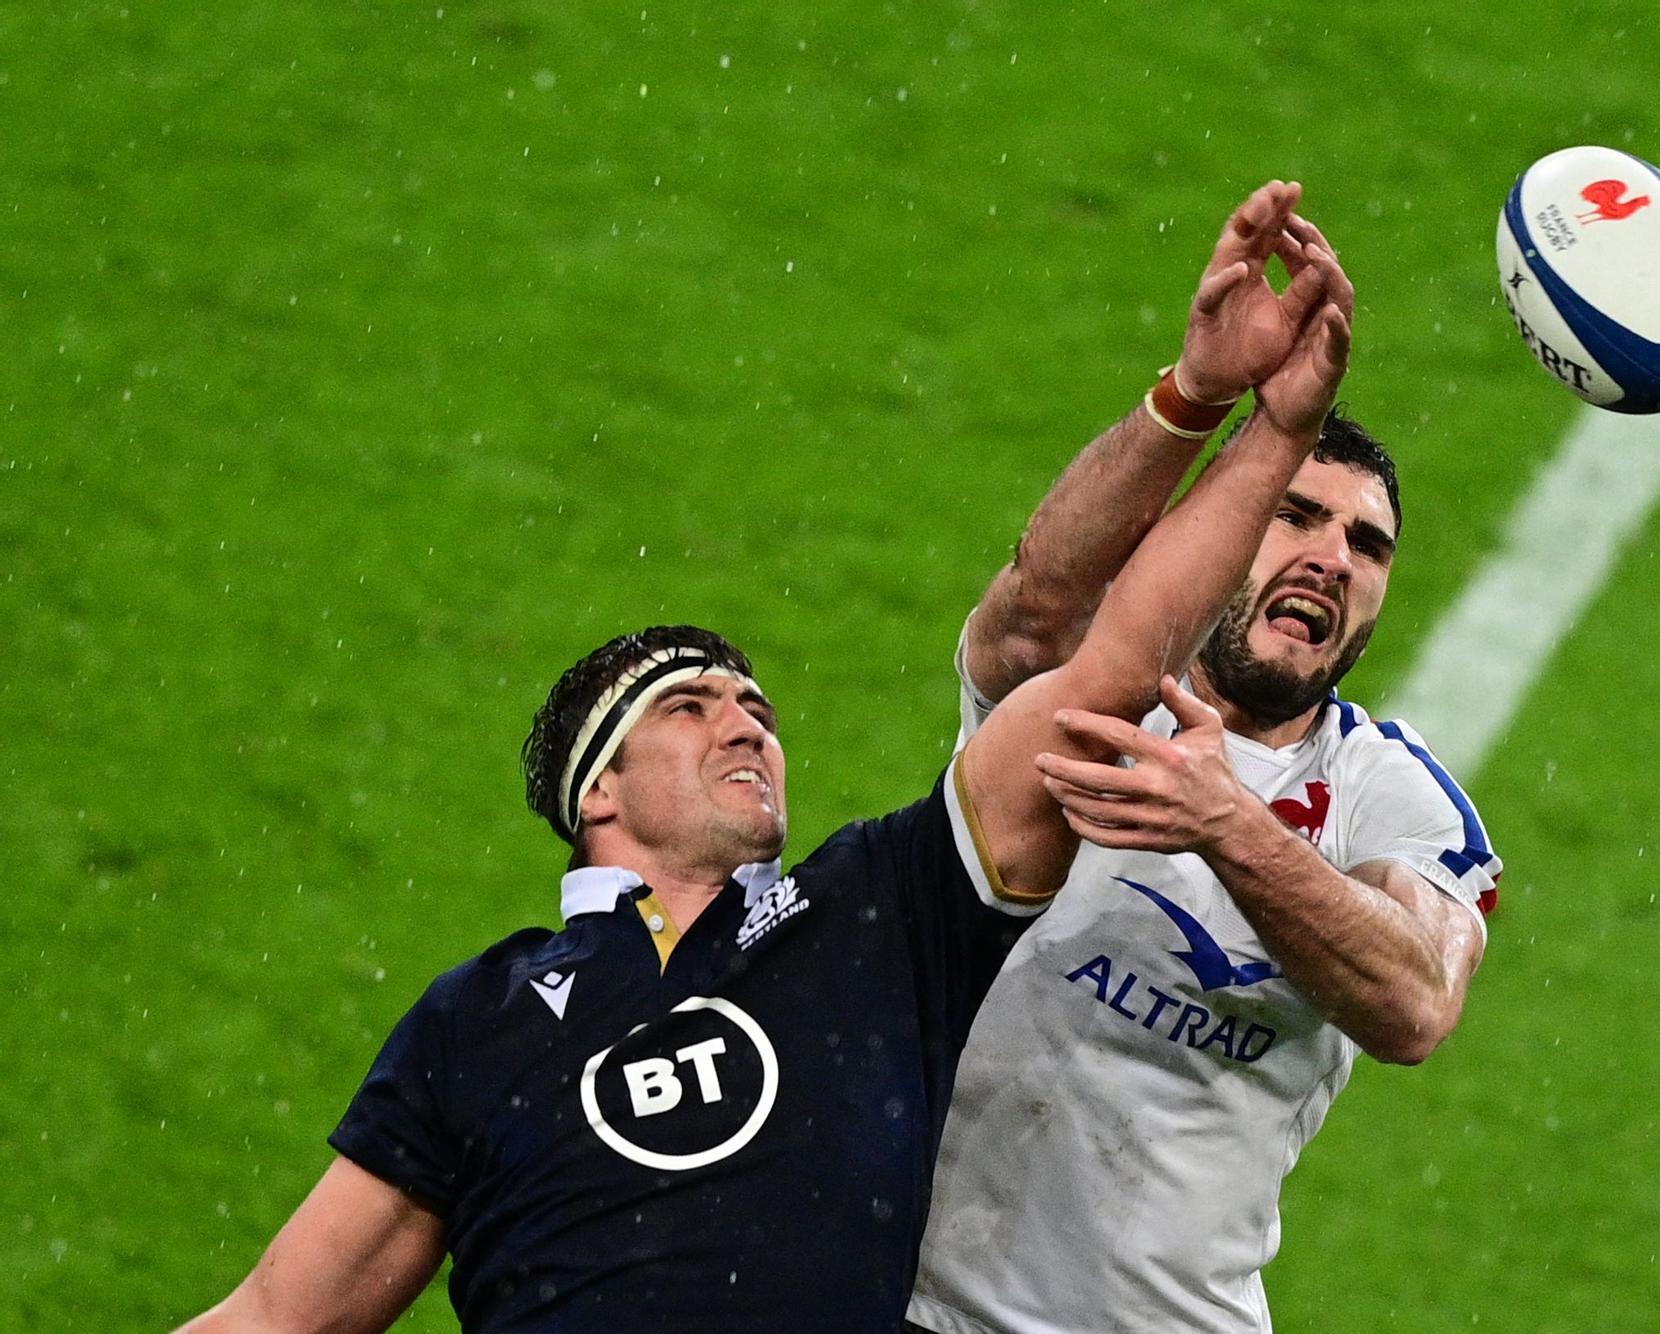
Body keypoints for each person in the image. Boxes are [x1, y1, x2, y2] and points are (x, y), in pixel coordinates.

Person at [178, 180, 1357, 1333]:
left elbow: (1103, 674)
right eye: (688, 704)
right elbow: (284, 1309)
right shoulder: (479, 1020)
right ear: (599, 787)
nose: (747, 721)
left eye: (758, 704)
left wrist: (1256, 422)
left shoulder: (878, 916)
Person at [907, 245, 1501, 1333]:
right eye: (1296, 513)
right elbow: (1031, 610)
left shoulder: (1386, 791)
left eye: (1366, 544)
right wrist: (1195, 396)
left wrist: (1230, 822)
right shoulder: (1093, 681)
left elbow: (1415, 1000)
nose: (1330, 557)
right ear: (1229, 525)